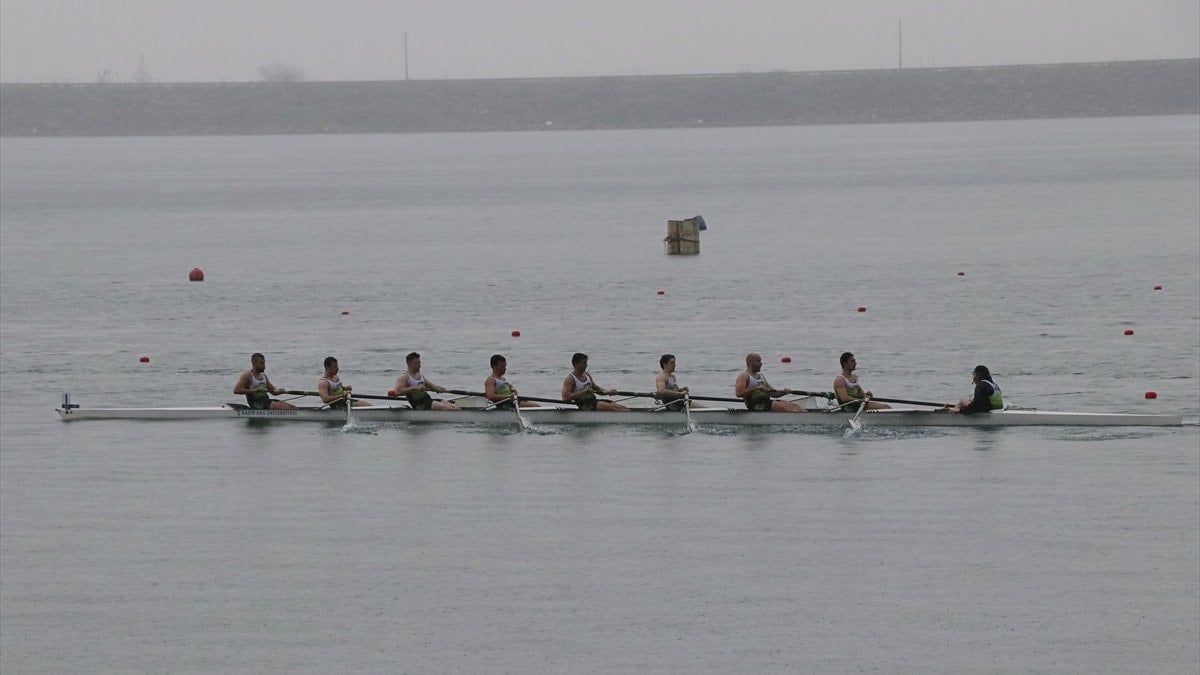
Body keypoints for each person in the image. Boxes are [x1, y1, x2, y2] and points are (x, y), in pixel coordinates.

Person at [734, 352, 807, 412]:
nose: (761, 363)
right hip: (755, 405)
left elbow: (772, 393)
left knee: (795, 406)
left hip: (766, 403)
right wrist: (756, 388)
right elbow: (739, 393)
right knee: (789, 409)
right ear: (750, 362)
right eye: (758, 361)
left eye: (761, 361)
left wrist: (784, 392)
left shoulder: (761, 376)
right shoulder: (744, 376)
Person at [561, 353, 629, 412]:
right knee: (615, 409)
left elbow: (597, 388)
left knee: (622, 408)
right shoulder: (570, 379)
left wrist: (609, 392)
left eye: (586, 363)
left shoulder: (587, 375)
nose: (586, 365)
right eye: (583, 363)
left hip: (593, 402)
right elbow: (565, 397)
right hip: (584, 405)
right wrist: (584, 392)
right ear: (575, 364)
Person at [394, 352, 458, 410]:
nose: (419, 365)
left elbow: (431, 385)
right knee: (445, 408)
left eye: (419, 363)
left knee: (453, 406)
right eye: (416, 363)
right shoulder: (404, 377)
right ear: (409, 363)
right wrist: (415, 388)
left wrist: (437, 388)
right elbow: (398, 392)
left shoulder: (420, 375)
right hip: (419, 405)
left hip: (427, 400)